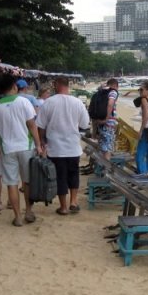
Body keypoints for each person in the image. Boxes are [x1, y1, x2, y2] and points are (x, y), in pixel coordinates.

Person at [0, 74, 43, 226]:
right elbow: (32, 125)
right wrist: (38, 145)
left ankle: (18, 216)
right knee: (27, 182)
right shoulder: (24, 102)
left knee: (12, 183)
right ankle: (29, 212)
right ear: (14, 87)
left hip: (8, 149)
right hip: (26, 147)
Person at [36, 76, 90, 216]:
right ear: (68, 85)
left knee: (60, 176)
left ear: (56, 84)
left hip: (55, 147)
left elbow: (40, 125)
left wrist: (41, 141)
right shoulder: (78, 102)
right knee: (73, 174)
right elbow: (84, 124)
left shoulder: (48, 102)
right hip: (72, 145)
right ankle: (73, 201)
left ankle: (63, 207)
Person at [96, 78, 119, 160]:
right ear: (115, 86)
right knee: (108, 149)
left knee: (102, 147)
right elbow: (110, 103)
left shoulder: (101, 92)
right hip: (108, 124)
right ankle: (105, 171)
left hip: (99, 123)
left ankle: (101, 169)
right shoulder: (113, 92)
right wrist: (107, 118)